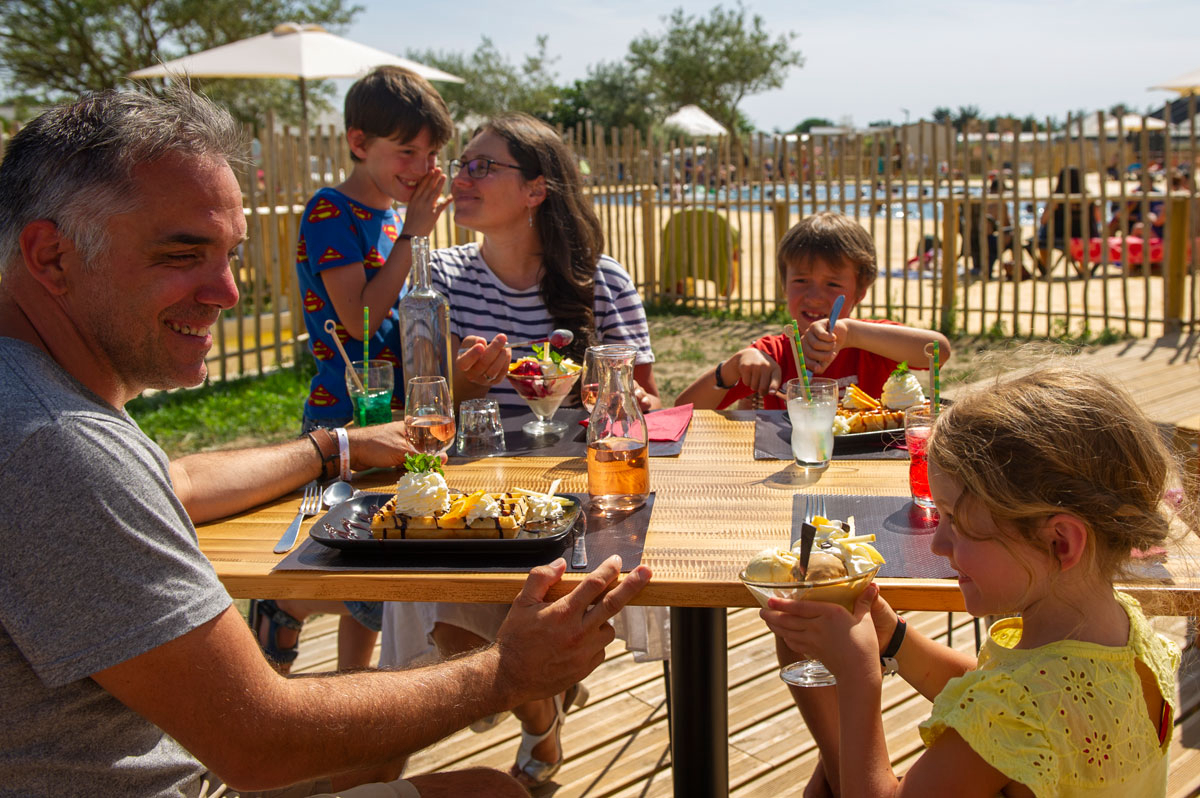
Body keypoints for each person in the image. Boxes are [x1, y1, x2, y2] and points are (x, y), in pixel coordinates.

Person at [0, 86, 650, 797]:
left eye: (230, 255)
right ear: (50, 257)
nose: (227, 292)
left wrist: (334, 448)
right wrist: (509, 672)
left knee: (421, 764)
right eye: (183, 253)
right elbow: (258, 741)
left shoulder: (38, 397)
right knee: (491, 792)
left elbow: (175, 483)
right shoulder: (52, 444)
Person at [380, 112, 661, 789]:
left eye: (481, 166)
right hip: (474, 496)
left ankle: (541, 710)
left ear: (536, 189)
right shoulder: (440, 279)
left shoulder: (602, 281)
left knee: (518, 631)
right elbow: (420, 409)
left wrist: (617, 400)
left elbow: (645, 400)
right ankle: (543, 717)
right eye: (462, 164)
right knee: (459, 638)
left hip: (580, 498)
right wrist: (462, 383)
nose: (460, 178)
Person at [762, 367, 1184, 797]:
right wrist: (895, 640)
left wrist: (858, 676)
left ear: (1061, 542)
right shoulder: (1128, 640)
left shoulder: (1013, 710)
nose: (940, 544)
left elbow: (1010, 706)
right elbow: (1010, 689)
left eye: (957, 523)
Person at [253, 66, 455, 676]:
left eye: (430, 153)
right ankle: (282, 607)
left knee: (373, 554)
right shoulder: (329, 212)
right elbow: (361, 318)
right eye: (406, 151)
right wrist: (413, 236)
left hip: (395, 408)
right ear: (359, 142)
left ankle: (350, 683)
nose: (421, 167)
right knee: (364, 565)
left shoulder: (394, 215)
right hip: (343, 414)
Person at [675, 211, 950, 411]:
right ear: (784, 286)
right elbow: (684, 409)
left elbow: (939, 351)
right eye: (801, 281)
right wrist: (732, 367)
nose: (814, 296)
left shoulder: (873, 343)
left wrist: (850, 332)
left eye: (832, 283)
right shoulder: (774, 353)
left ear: (860, 291)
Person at [1032, 166, 1102, 278]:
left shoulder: (1057, 198)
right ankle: (1083, 266)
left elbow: (1043, 220)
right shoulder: (1088, 197)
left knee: (1043, 233)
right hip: (1085, 234)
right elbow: (1099, 219)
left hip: (1060, 234)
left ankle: (1046, 267)